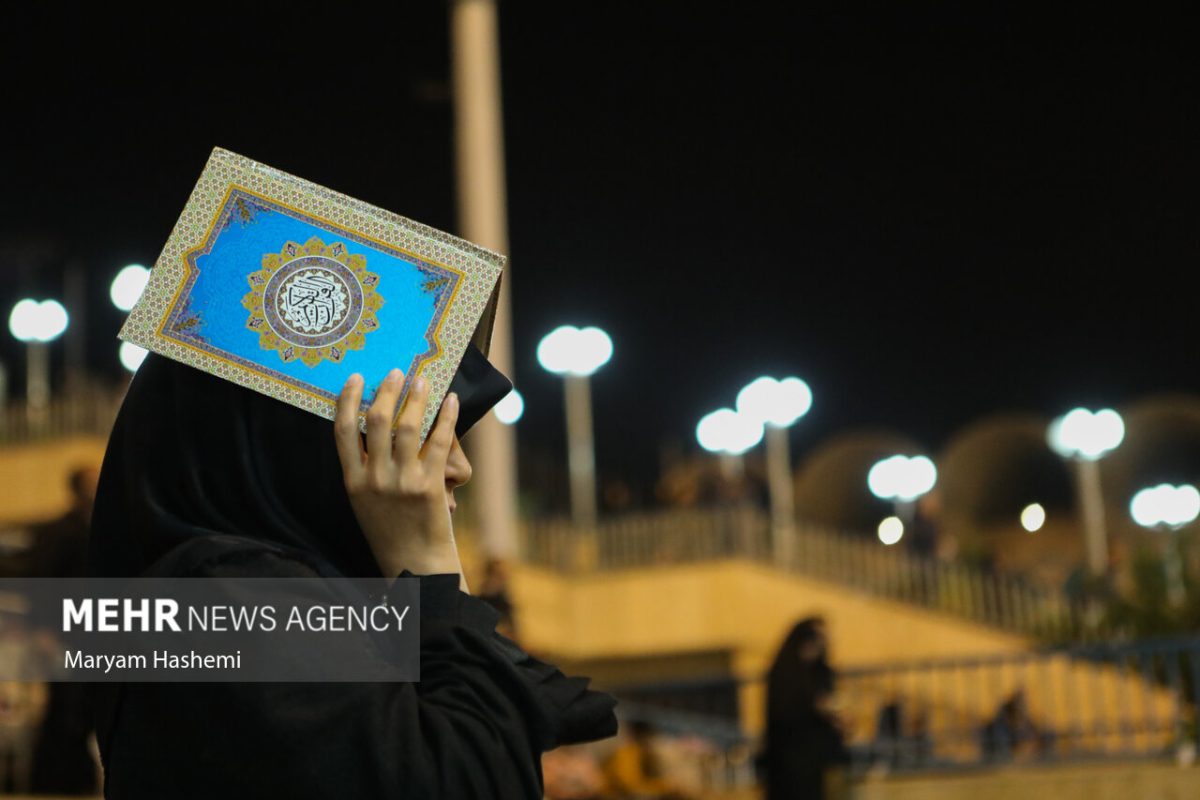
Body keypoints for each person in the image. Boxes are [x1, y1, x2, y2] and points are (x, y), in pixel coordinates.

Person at [86, 352, 618, 798]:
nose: (456, 467)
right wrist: (429, 567)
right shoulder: (224, 604)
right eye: (397, 432)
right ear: (289, 444)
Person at [758, 617, 848, 800]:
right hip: (789, 761)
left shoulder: (821, 672)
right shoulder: (785, 672)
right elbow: (783, 712)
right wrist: (813, 707)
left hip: (818, 761)